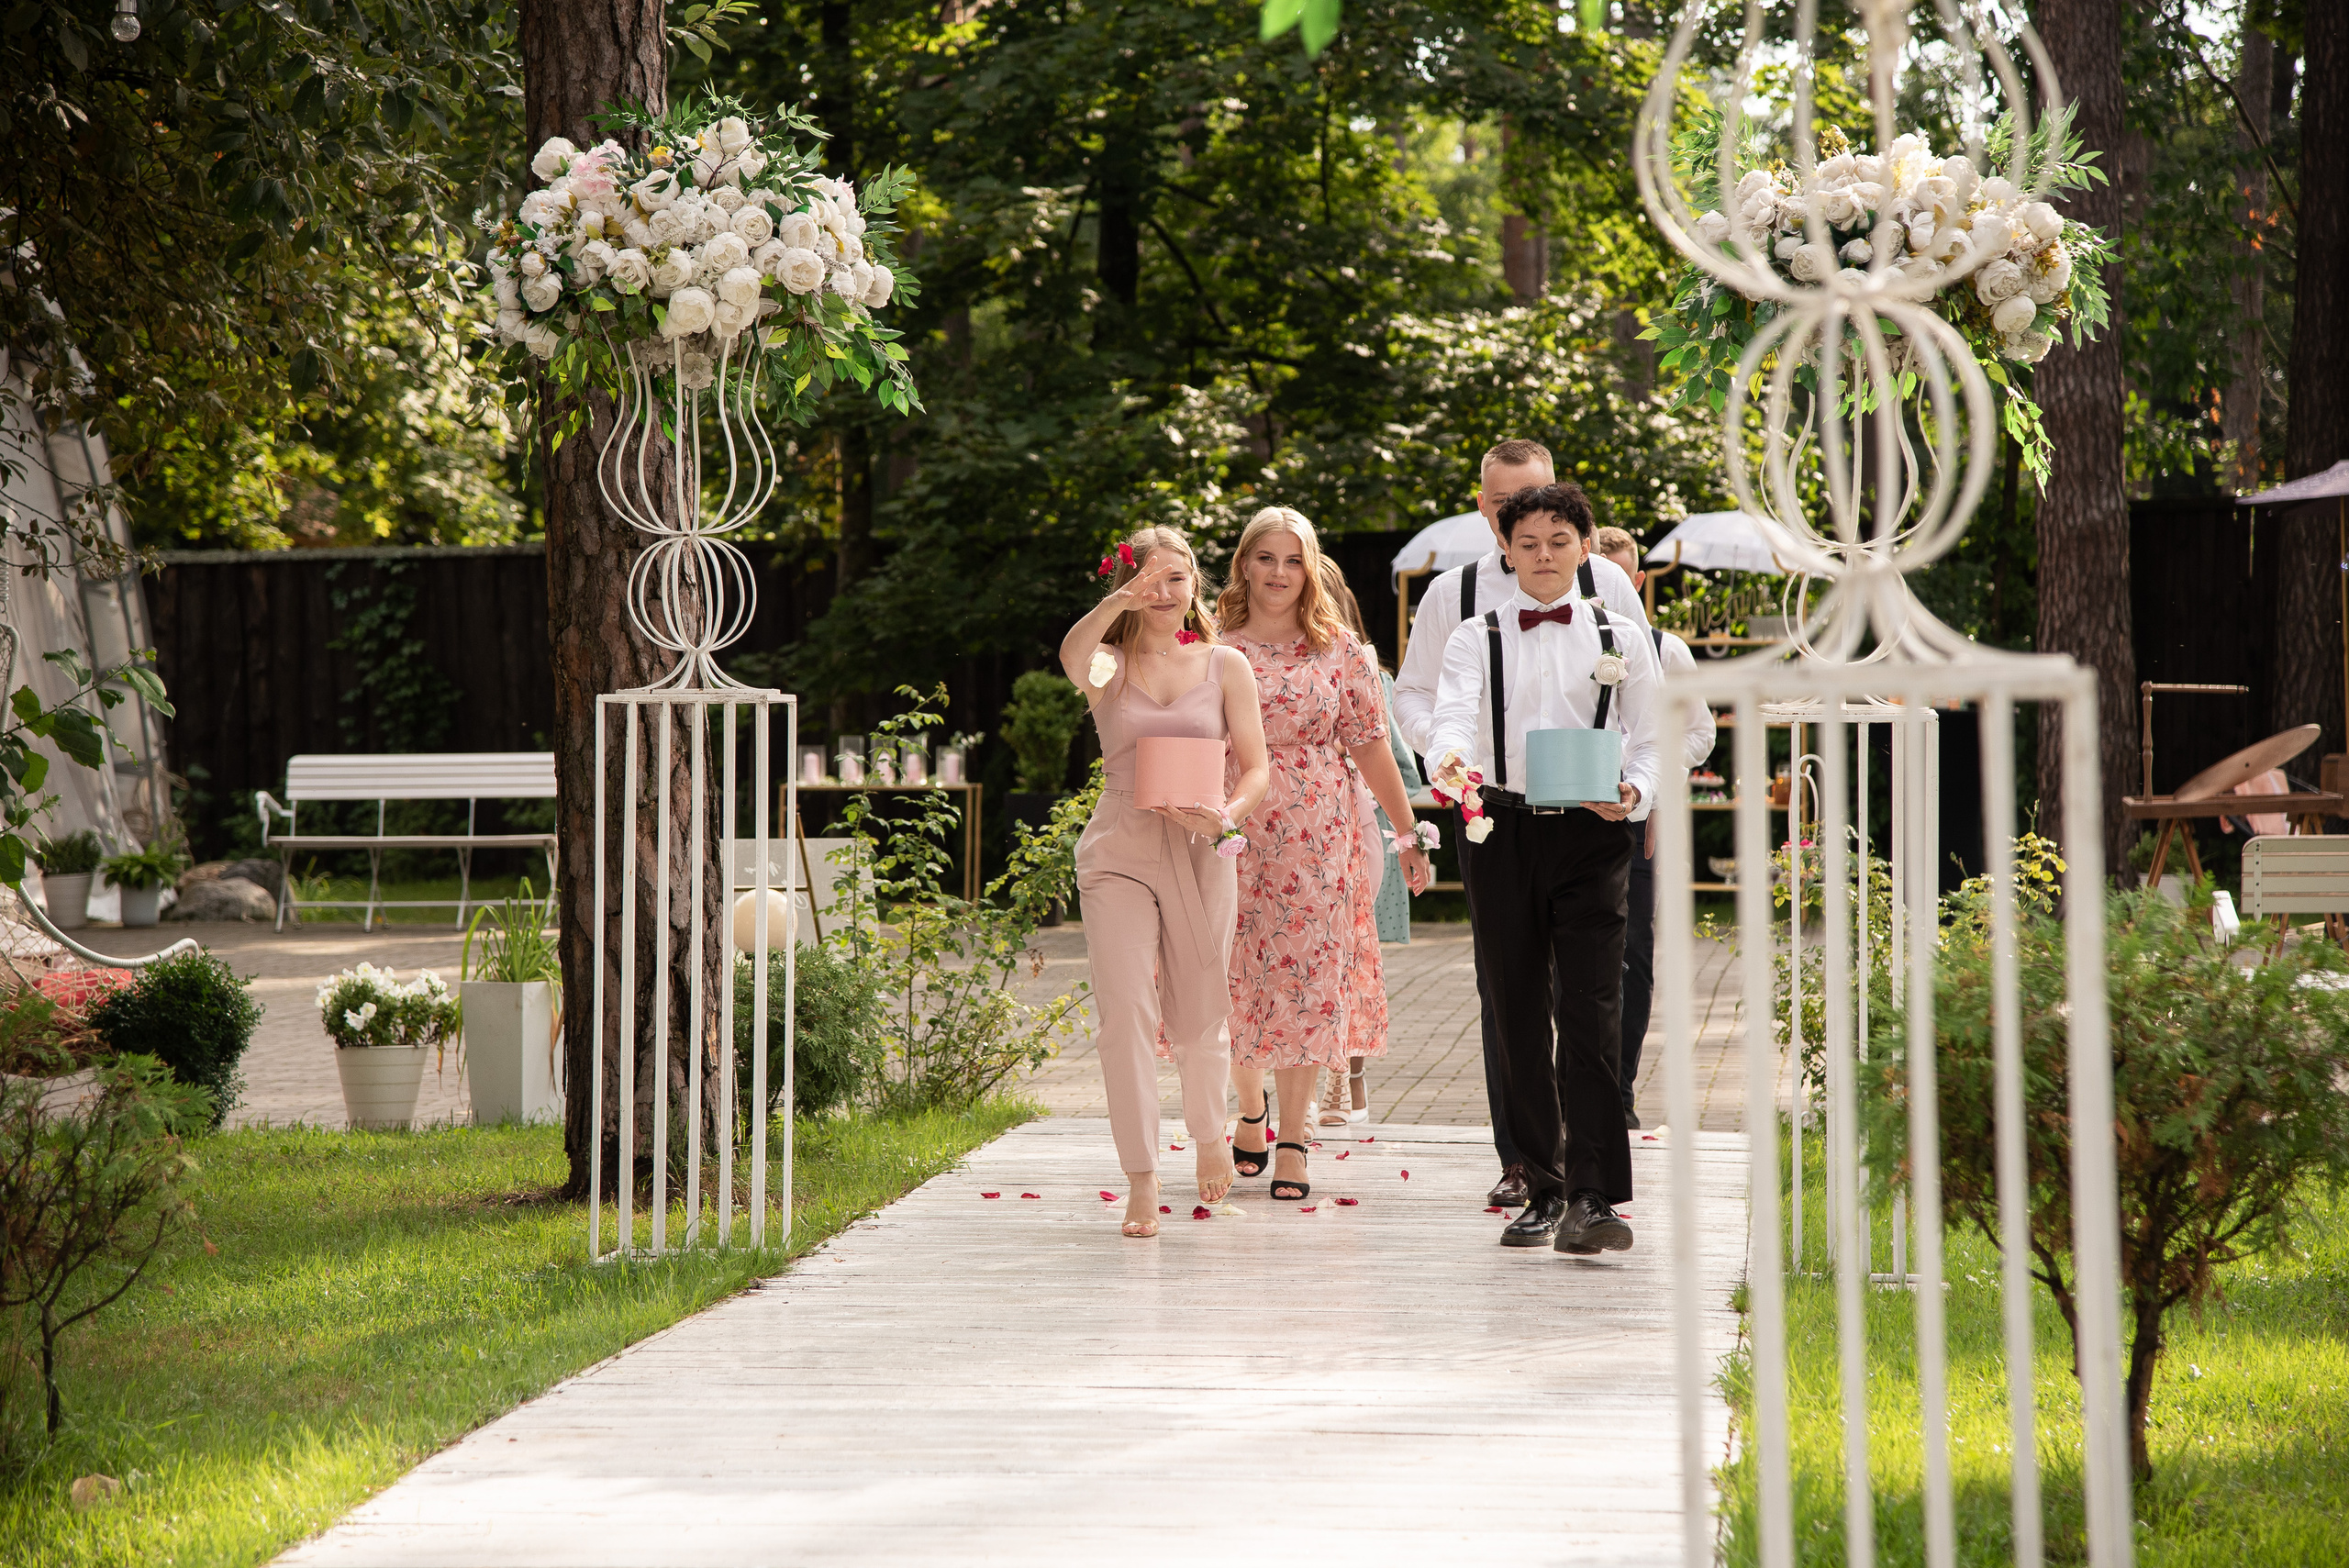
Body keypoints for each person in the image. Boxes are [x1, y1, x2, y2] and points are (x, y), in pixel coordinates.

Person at [1389, 439, 1646, 1209]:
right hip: (1494, 821)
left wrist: (1636, 787)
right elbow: (1425, 697)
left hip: (1595, 820)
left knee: (1597, 998)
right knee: (1513, 1001)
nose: (1533, 527)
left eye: (1546, 507)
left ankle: (1594, 1183)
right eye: (1512, 512)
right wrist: (1449, 760)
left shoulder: (1609, 595)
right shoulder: (1455, 603)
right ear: (1490, 517)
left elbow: (1651, 698)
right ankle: (1531, 1167)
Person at [1060, 527, 1271, 1239]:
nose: (1163, 592)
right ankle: (1141, 1177)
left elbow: (1257, 769)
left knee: (1201, 1007)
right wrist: (1116, 597)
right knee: (1126, 1013)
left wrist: (1224, 816)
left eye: (1176, 578)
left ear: (1196, 587)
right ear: (1128, 587)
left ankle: (1211, 1130)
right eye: (1149, 580)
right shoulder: (1107, 666)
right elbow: (1071, 654)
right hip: (1119, 842)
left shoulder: (1225, 664)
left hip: (1204, 845)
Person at [1218, 507, 1431, 1201]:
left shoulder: (1339, 650)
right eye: (1266, 558)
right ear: (1244, 563)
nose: (1279, 573)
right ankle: (1250, 1107)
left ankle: (1296, 1138)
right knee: (1233, 975)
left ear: (1310, 570)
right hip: (1231, 829)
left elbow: (1372, 744)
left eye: (1293, 560)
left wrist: (1405, 834)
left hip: (1317, 837)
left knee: (1308, 981)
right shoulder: (1212, 647)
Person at [1593, 526, 1716, 1129]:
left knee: (1632, 959)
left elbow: (1701, 733)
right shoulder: (1568, 643)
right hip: (1573, 819)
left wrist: (1656, 788)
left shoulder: (1667, 651)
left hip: (1639, 823)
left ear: (1637, 580)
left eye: (1623, 574)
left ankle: (1619, 1087)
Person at [1312, 562, 1428, 1127]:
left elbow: (1400, 769)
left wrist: (1400, 831)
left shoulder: (1368, 674)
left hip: (1361, 835)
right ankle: (1313, 1080)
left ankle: (1349, 1078)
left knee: (1353, 960)